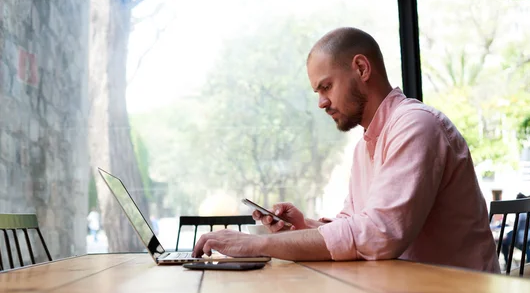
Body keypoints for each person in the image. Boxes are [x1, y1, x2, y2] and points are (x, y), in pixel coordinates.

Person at [192, 27, 500, 273]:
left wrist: (253, 245)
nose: (321, 103)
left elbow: (379, 235)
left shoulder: (415, 126)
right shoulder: (366, 145)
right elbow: (355, 223)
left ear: (362, 68)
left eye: (326, 87)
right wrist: (302, 227)